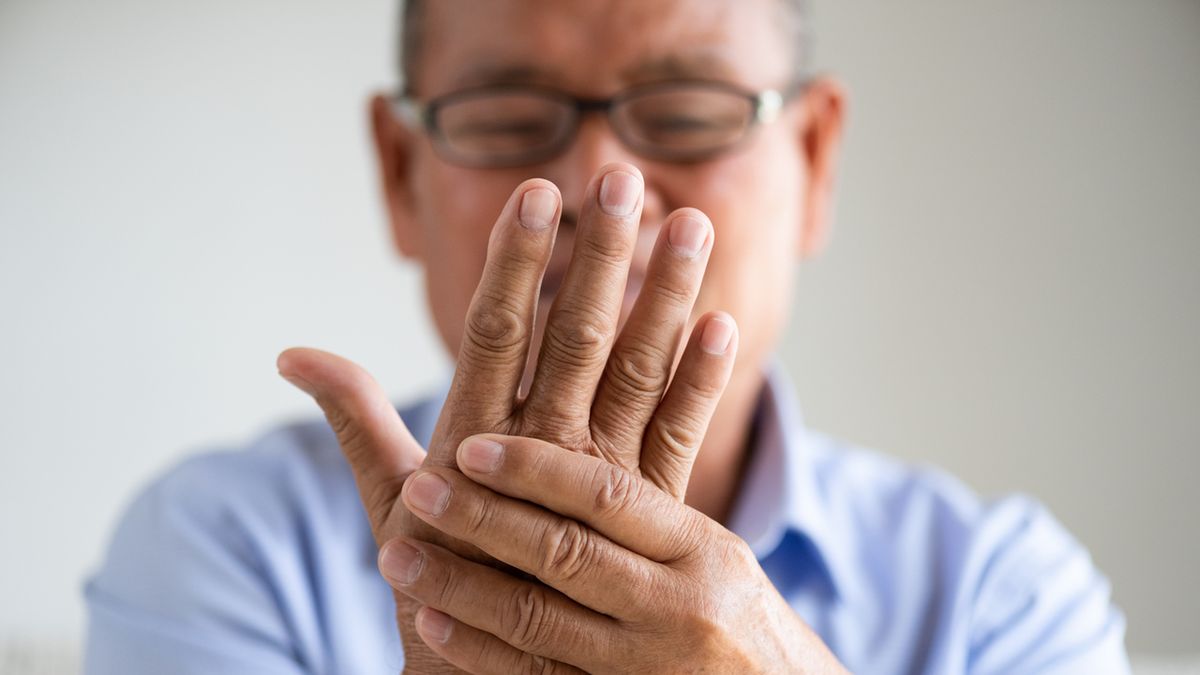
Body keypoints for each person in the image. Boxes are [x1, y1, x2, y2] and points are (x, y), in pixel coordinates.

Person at [83, 1, 1131, 673]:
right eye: (506, 113)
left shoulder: (1000, 594)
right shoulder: (229, 548)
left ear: (815, 160)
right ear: (400, 175)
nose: (599, 184)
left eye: (686, 112)